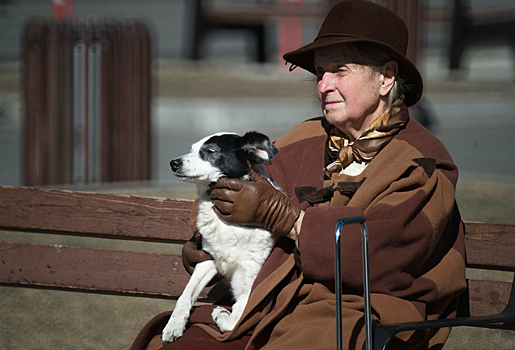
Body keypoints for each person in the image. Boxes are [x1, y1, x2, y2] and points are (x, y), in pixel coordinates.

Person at [131, 1, 466, 349]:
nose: (323, 85)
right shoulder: (304, 137)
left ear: (386, 77)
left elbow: (380, 255)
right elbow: (237, 182)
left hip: (364, 312)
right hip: (276, 297)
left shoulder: (423, 162)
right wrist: (206, 239)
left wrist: (286, 218)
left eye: (340, 70)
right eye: (320, 72)